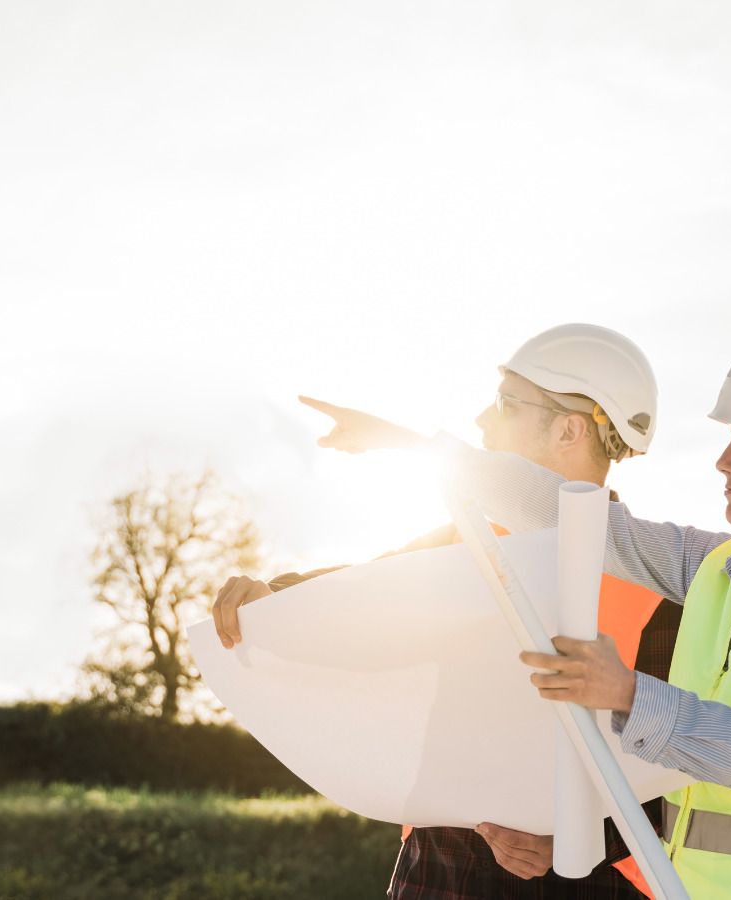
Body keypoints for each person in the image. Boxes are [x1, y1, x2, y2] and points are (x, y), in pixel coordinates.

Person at [304, 324, 731, 900]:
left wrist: (627, 693)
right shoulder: (715, 567)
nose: (723, 461)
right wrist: (412, 447)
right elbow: (575, 520)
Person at [213, 323, 678, 899]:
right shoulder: (459, 542)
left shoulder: (661, 594)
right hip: (442, 866)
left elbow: (684, 767)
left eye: (507, 404)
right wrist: (272, 596)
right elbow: (358, 593)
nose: (482, 420)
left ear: (570, 429)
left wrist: (581, 838)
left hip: (589, 881)